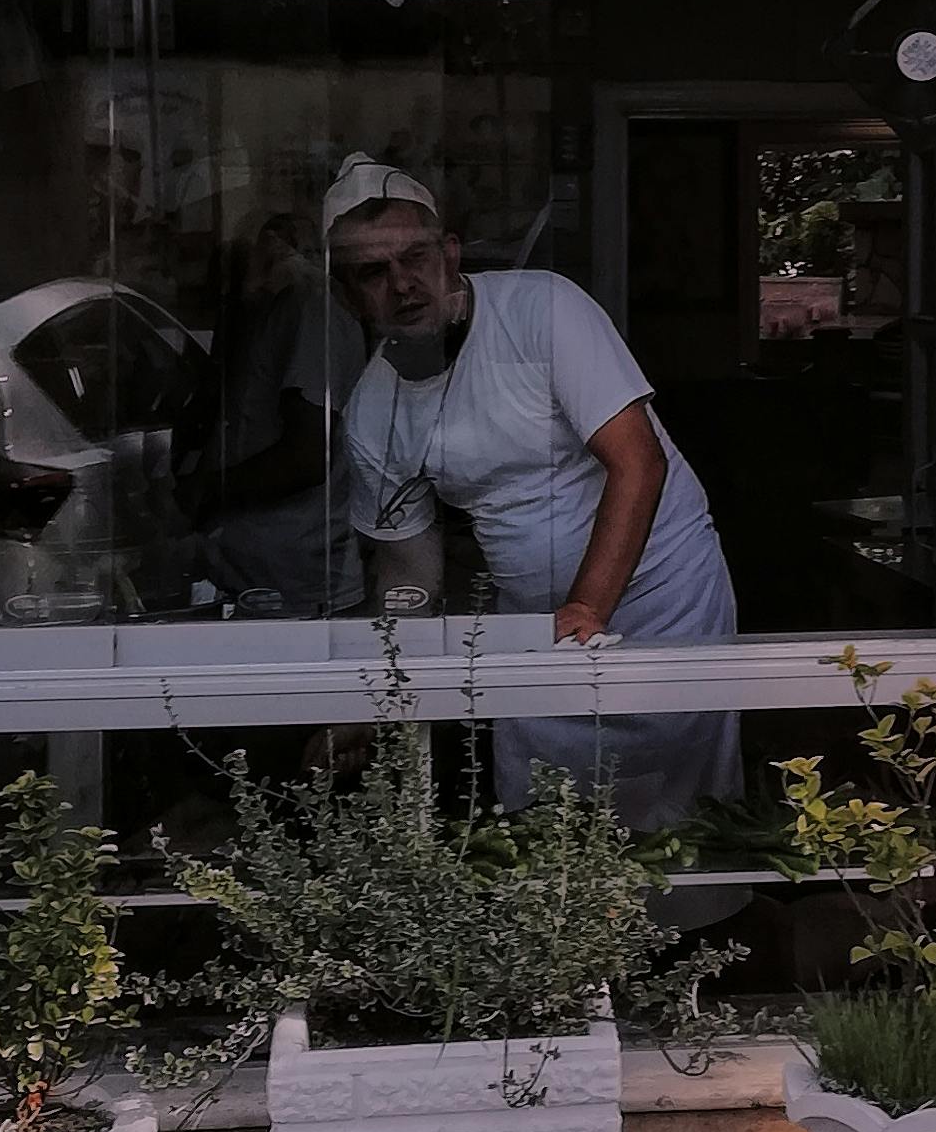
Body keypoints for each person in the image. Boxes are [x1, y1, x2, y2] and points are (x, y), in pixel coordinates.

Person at [318, 158, 742, 833]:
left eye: (416, 257)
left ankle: (696, 944)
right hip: (535, 630)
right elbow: (409, 581)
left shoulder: (543, 308)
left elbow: (639, 462)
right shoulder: (372, 414)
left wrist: (587, 608)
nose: (402, 284)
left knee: (680, 827)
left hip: (666, 600)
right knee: (544, 835)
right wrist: (378, 699)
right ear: (345, 294)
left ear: (450, 255)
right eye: (373, 272)